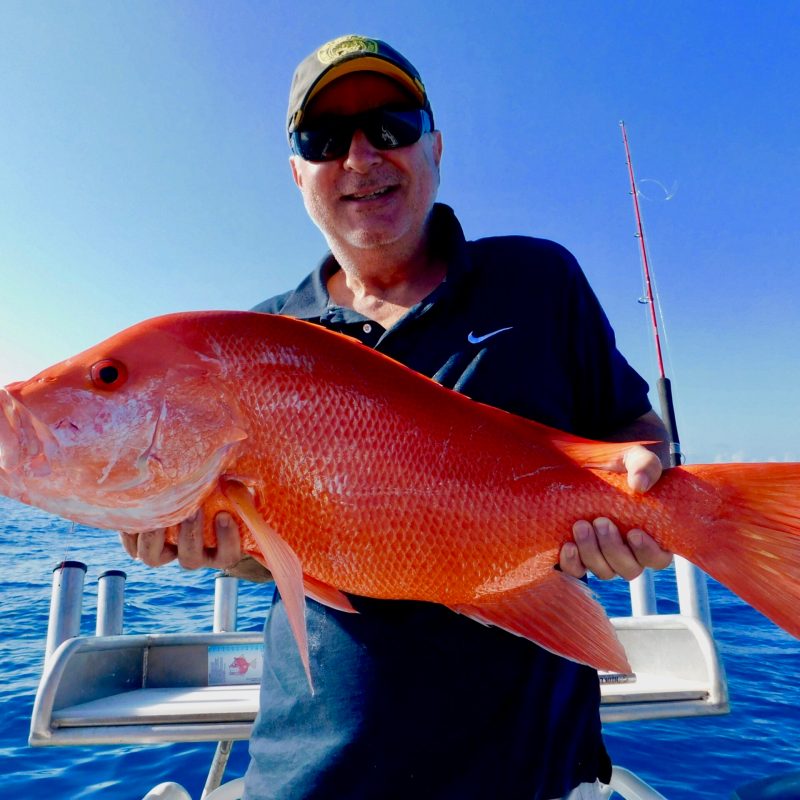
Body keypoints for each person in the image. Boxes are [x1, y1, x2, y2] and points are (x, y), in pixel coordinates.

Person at [121, 35, 673, 800]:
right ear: (297, 175)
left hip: (532, 776)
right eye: (324, 138)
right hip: (312, 776)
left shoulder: (536, 281)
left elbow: (639, 434)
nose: (360, 157)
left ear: (435, 146)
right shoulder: (263, 339)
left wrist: (646, 495)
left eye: (391, 125)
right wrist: (222, 544)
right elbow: (284, 557)